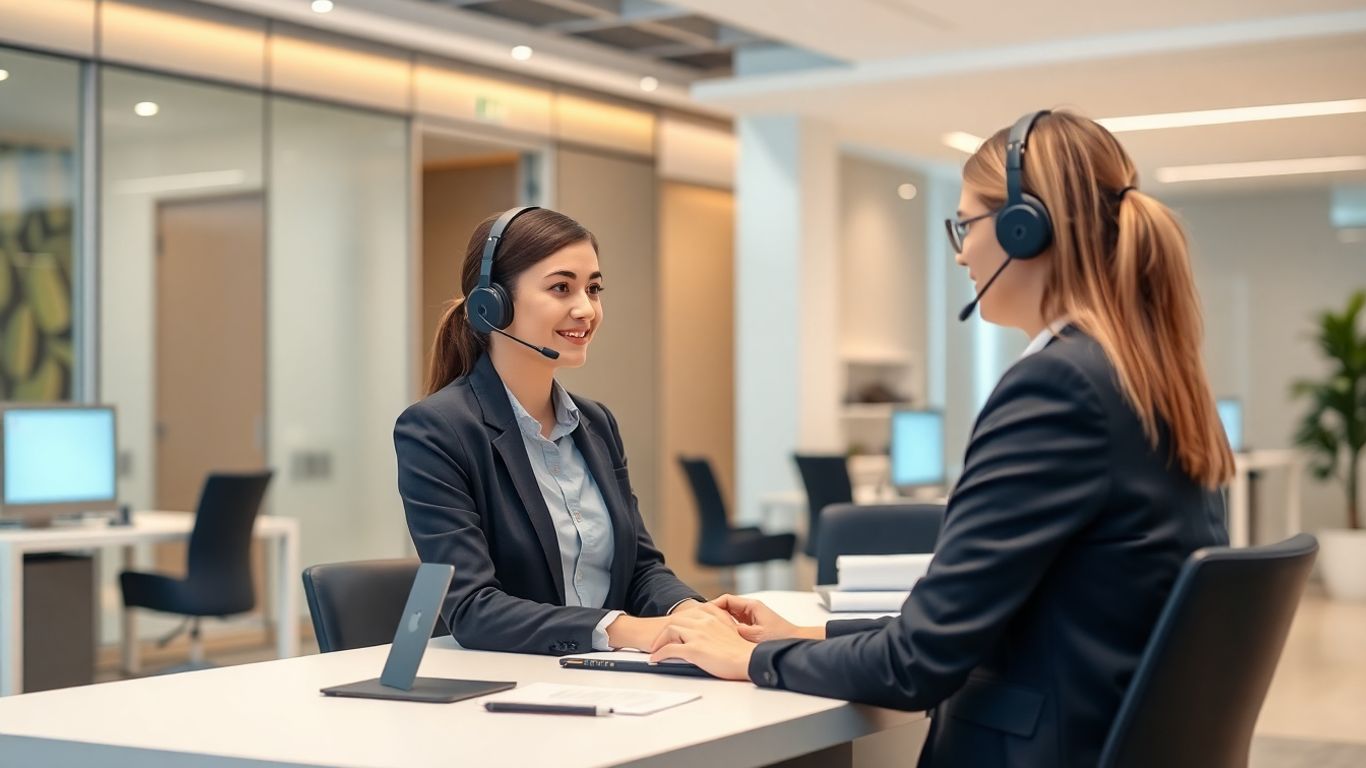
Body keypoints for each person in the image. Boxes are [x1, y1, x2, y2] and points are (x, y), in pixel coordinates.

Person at [646, 111, 1233, 767]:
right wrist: (810, 632)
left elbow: (918, 664)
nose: (959, 253)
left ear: (1024, 228)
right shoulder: (1144, 377)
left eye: (965, 225)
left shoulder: (1058, 386)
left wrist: (752, 659)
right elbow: (990, 617)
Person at [395, 207, 711, 656]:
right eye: (561, 287)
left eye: (593, 289)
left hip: (606, 677)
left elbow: (640, 568)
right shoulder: (436, 430)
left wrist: (691, 613)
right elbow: (472, 609)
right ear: (492, 304)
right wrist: (624, 630)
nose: (586, 309)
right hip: (514, 681)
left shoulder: (596, 423)